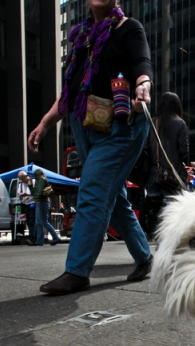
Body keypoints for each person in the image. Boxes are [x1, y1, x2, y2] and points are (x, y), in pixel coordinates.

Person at [27, 0, 153, 295]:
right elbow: (70, 92)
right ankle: (146, 258)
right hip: (86, 128)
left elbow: (141, 64)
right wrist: (45, 123)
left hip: (121, 126)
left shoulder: (129, 28)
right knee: (114, 195)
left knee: (94, 192)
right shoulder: (80, 38)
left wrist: (143, 85)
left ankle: (77, 270)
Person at [141, 92, 189, 239]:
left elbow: (145, 148)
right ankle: (172, 236)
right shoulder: (180, 123)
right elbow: (184, 151)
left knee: (154, 208)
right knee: (175, 207)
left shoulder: (151, 123)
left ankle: (153, 235)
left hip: (153, 174)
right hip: (173, 176)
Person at [31, 169, 63, 246]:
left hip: (42, 202)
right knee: (39, 222)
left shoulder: (41, 180)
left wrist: (37, 199)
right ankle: (39, 241)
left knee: (43, 222)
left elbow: (38, 191)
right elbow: (34, 192)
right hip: (41, 202)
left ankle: (55, 237)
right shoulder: (41, 180)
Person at [17, 171, 36, 241]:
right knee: (28, 221)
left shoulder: (33, 182)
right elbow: (19, 194)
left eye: (22, 178)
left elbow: (35, 193)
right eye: (20, 179)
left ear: (26, 176)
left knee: (32, 220)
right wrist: (21, 196)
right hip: (26, 204)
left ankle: (33, 237)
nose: (22, 180)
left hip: (32, 203)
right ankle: (31, 236)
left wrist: (27, 195)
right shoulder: (21, 185)